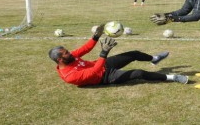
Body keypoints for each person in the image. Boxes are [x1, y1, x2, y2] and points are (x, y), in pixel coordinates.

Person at [48, 24, 188, 87]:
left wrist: (96, 36)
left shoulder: (70, 57)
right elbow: (94, 71)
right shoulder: (69, 76)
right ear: (60, 59)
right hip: (104, 77)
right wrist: (104, 52)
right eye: (66, 53)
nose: (69, 52)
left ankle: (155, 59)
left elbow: (86, 48)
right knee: (138, 73)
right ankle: (172, 78)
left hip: (102, 65)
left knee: (133, 53)